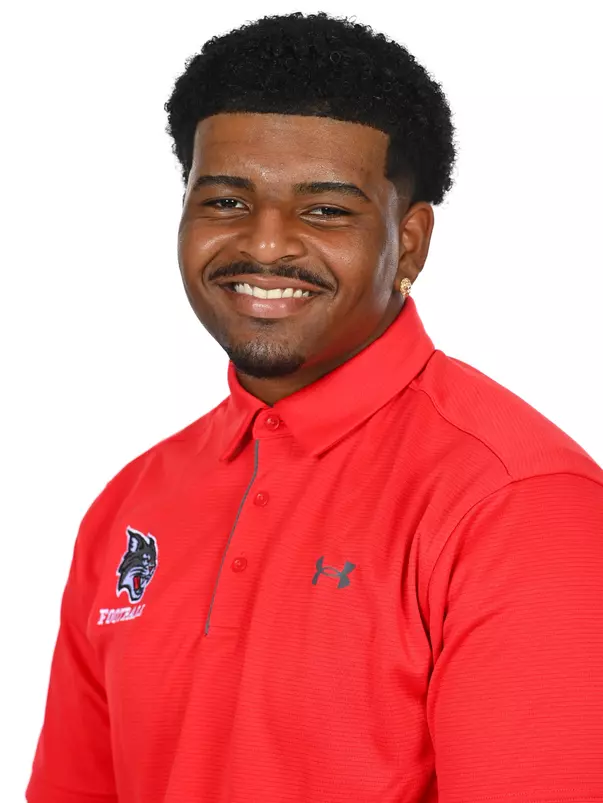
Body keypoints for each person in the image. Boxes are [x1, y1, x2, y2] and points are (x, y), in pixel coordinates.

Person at [26, 11, 603, 803]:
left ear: (409, 242)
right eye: (225, 201)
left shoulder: (516, 503)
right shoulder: (132, 502)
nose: (265, 245)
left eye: (325, 209)